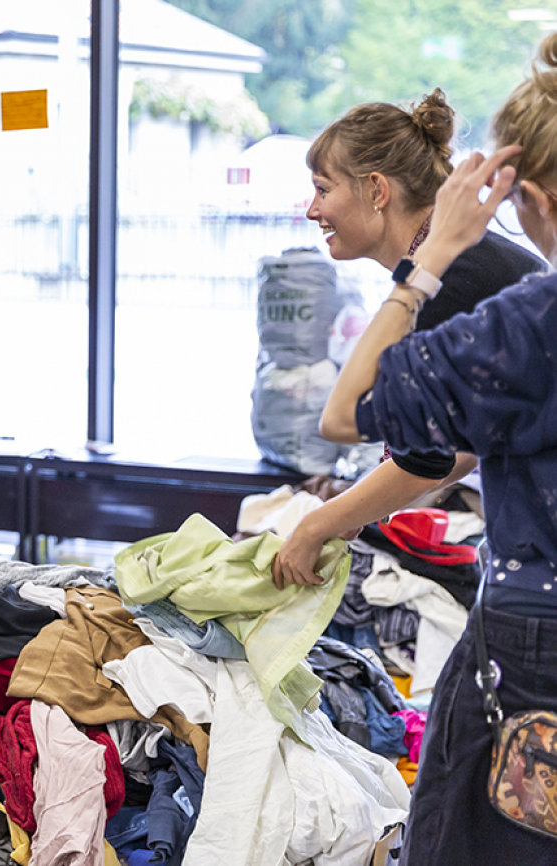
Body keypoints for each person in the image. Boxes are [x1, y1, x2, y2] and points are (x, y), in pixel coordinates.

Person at [317, 35, 557, 863]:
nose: (311, 210)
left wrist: (428, 262)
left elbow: (366, 420)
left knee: (455, 829)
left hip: (534, 624)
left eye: (322, 187)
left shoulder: (507, 299)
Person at [271, 90, 545, 591]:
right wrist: (360, 504)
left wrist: (320, 523)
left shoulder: (445, 278)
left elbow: (379, 436)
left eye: (322, 189)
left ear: (377, 190)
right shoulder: (466, 264)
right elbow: (462, 438)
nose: (313, 210)